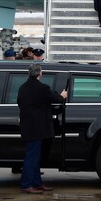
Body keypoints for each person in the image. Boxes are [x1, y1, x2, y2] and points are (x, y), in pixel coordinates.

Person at [17, 63, 67, 194]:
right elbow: (57, 99)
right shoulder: (42, 88)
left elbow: (19, 103)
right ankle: (26, 184)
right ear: (40, 74)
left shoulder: (22, 88)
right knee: (32, 158)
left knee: (34, 157)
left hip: (28, 127)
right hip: (38, 129)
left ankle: (37, 183)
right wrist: (63, 95)